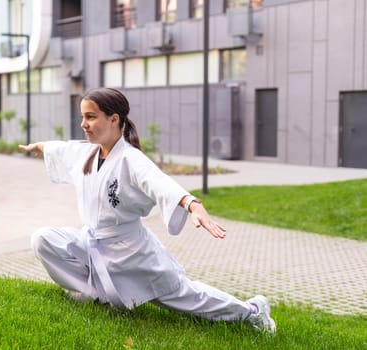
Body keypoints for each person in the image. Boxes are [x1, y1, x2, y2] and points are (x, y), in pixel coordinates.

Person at [19, 87, 276, 333]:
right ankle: (92, 294)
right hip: (93, 242)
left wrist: (192, 204)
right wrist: (37, 146)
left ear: (113, 119)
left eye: (90, 117)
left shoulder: (131, 160)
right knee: (43, 239)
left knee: (188, 297)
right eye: (82, 117)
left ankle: (252, 312)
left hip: (131, 255)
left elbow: (161, 183)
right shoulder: (86, 153)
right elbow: (59, 148)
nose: (83, 124)